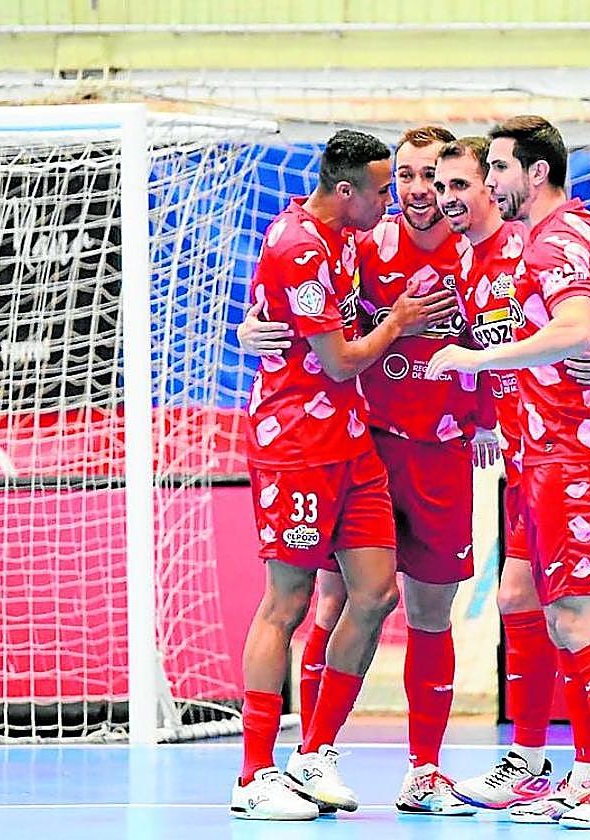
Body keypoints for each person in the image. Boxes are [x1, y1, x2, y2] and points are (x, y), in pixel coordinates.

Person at [425, 115, 590, 829]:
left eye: (490, 172)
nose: (481, 187)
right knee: (529, 599)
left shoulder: (551, 238)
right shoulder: (554, 236)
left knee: (577, 618)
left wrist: (476, 359)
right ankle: (579, 771)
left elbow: (580, 322)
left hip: (572, 455)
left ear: (533, 173)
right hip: (534, 454)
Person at [231, 128, 458, 821]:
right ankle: (253, 776)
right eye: (386, 188)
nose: (395, 201)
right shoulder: (298, 245)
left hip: (353, 444)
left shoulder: (347, 239)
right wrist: (400, 323)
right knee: (288, 604)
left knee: (376, 593)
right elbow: (339, 360)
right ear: (346, 190)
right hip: (296, 444)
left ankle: (313, 754)